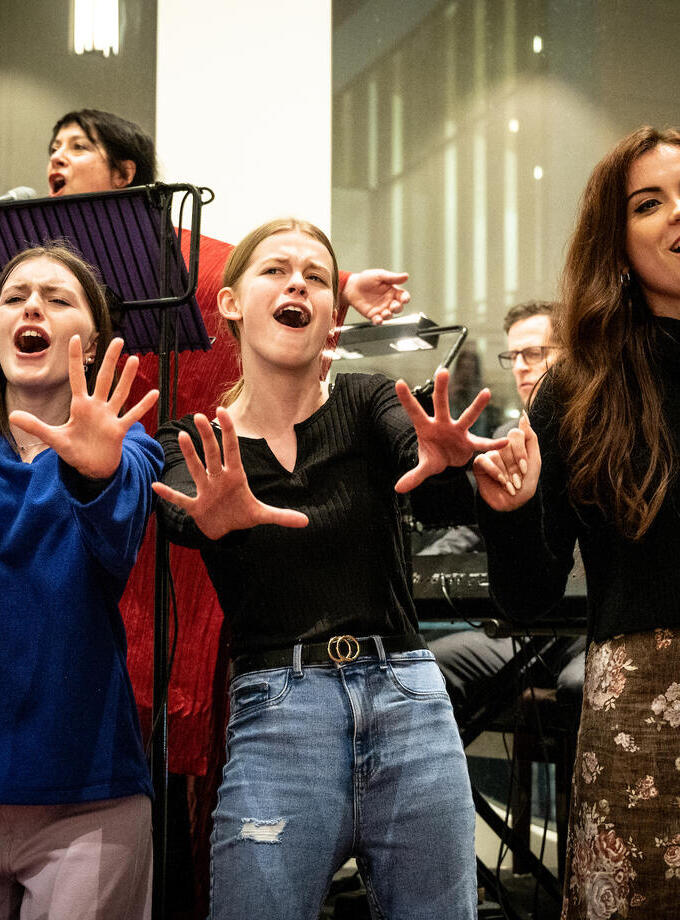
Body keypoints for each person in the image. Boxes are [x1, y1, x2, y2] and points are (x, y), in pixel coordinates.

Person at [152, 216, 511, 920]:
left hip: (407, 700)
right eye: (276, 270)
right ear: (230, 302)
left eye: (316, 277)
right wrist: (208, 517)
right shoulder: (195, 441)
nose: (298, 285)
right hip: (277, 714)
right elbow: (178, 512)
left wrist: (442, 462)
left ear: (332, 317)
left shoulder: (368, 399)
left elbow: (421, 470)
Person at [46, 108, 415, 783]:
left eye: (77, 146)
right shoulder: (38, 260)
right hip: (80, 481)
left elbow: (246, 277)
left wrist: (339, 287)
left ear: (125, 173)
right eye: (54, 147)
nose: (57, 159)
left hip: (170, 501)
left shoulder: (173, 256)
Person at [473, 126, 680, 919]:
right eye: (649, 203)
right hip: (646, 703)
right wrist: (509, 512)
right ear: (617, 246)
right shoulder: (579, 387)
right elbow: (528, 598)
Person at [0, 243, 162, 918]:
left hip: (90, 796)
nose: (32, 307)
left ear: (91, 344)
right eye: (14, 297)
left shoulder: (130, 447)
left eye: (57, 298)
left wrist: (96, 471)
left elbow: (118, 535)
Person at [430, 301, 586, 726]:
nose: (520, 367)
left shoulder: (597, 431)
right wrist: (429, 565)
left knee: (579, 685)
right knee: (432, 666)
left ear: (571, 354)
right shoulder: (503, 438)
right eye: (513, 355)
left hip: (587, 629)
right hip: (523, 628)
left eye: (533, 353)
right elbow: (473, 529)